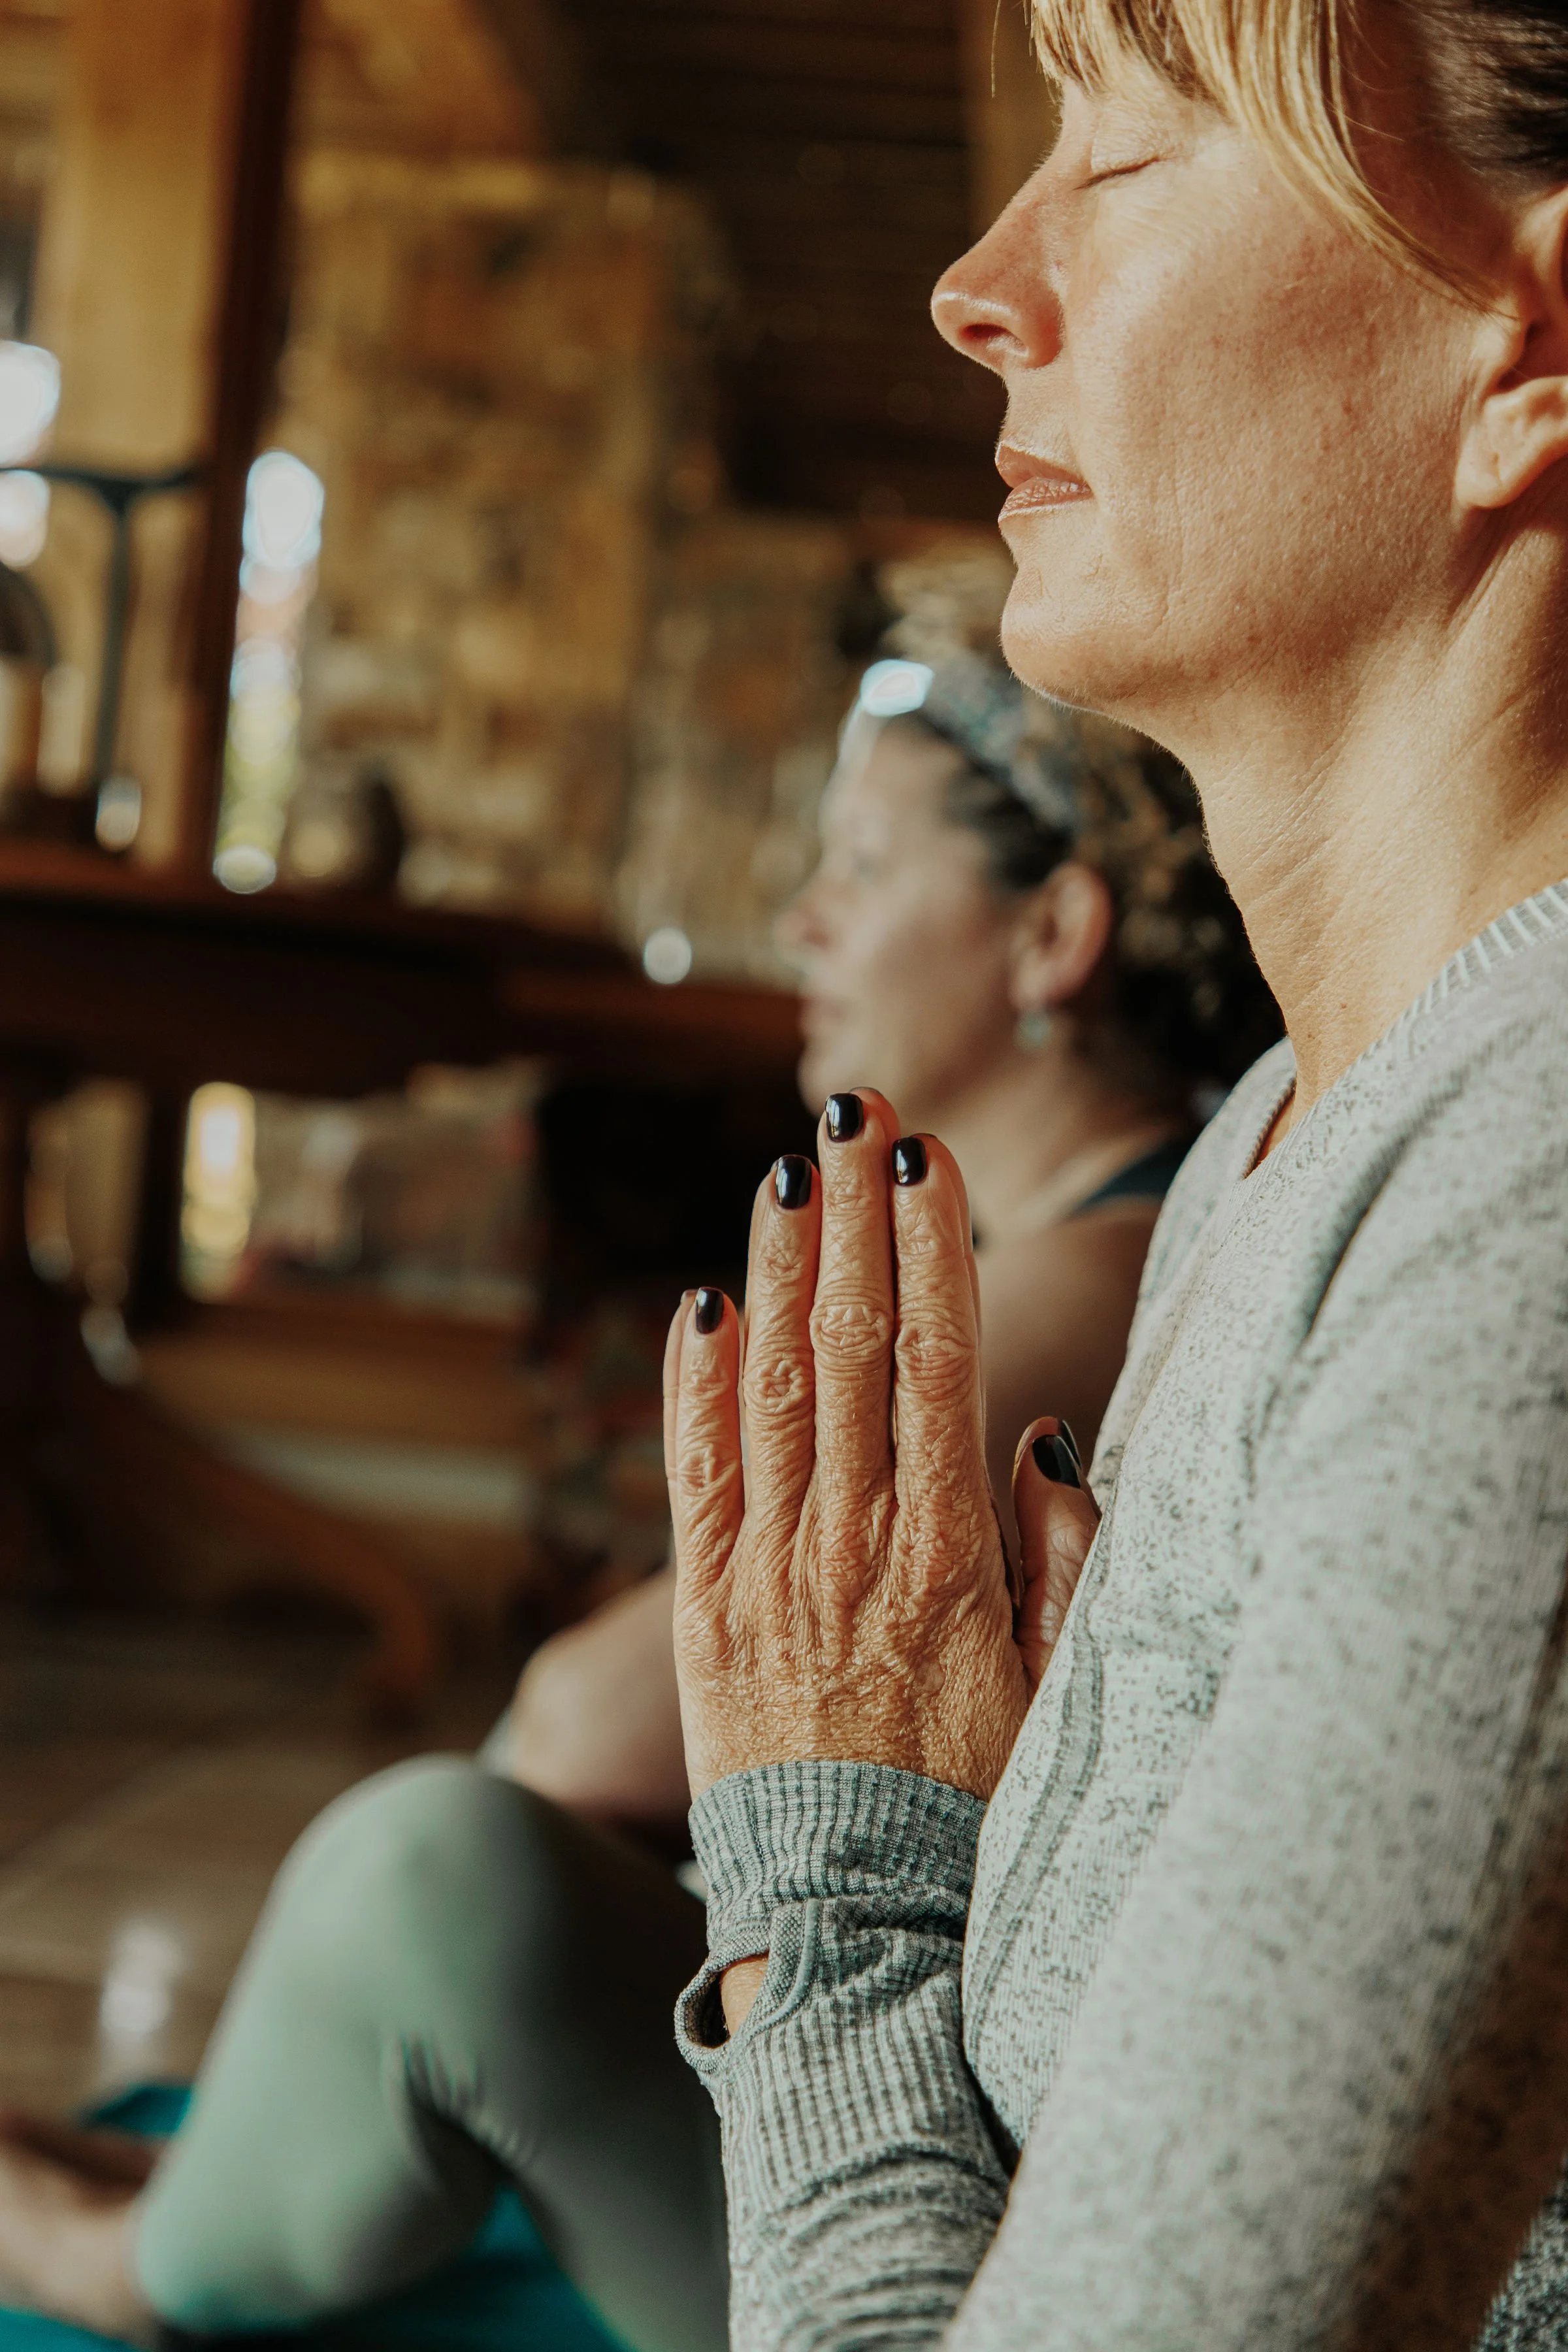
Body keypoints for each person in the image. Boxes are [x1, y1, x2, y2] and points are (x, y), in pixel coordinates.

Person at [658, 5, 1568, 2347]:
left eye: (1135, 146)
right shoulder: (1285, 1134)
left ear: (1530, 343)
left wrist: (836, 1904)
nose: (979, 279)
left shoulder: (1534, 1207)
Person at [0, 666, 1269, 2344]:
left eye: (867, 867)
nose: (806, 921)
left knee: (438, 1876)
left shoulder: (1080, 1280)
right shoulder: (1080, 1230)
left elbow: (593, 1731)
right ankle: (257, 2148)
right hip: (956, 2078)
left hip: (956, 2180)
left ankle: (120, 2264)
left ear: (1053, 939)